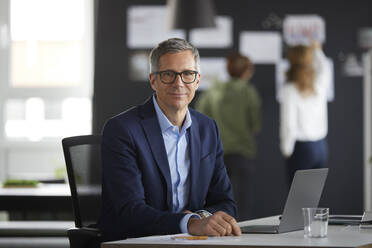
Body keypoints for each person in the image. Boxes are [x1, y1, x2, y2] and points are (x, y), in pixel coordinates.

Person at [98, 38, 241, 241]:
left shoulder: (207, 129)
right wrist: (190, 224)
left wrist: (199, 218)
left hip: (191, 242)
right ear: (153, 80)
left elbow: (226, 203)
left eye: (187, 74)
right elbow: (129, 211)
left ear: (197, 80)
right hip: (136, 241)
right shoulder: (122, 130)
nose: (179, 83)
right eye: (168, 75)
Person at [196, 53, 261, 221]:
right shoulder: (248, 92)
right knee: (241, 203)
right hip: (242, 153)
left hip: (215, 154)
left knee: (216, 202)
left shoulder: (211, 91)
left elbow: (199, 119)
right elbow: (255, 124)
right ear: (246, 72)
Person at [279, 42, 331, 186]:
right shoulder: (319, 85)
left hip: (301, 149)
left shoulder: (290, 89)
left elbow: (289, 124)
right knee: (313, 196)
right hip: (321, 147)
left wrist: (286, 149)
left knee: (298, 200)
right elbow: (325, 69)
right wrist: (318, 51)